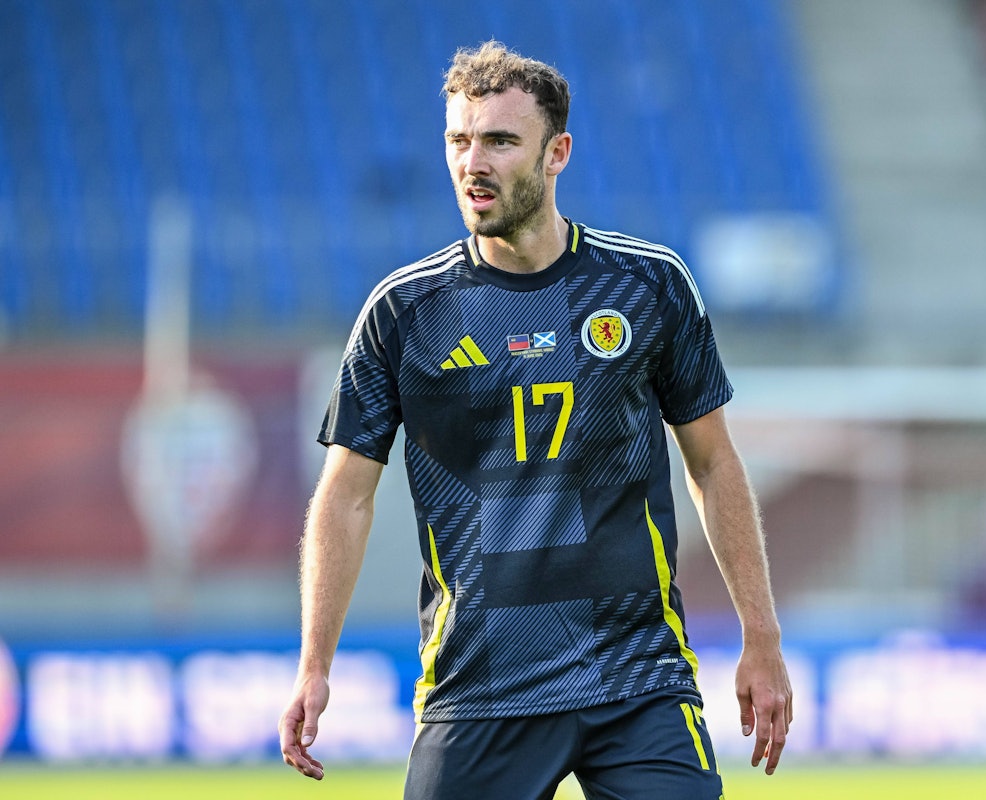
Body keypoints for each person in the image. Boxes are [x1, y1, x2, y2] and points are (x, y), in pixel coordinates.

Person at [279, 40, 792, 799]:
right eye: (458, 140)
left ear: (557, 153)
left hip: (637, 676)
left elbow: (712, 464)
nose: (471, 162)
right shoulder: (403, 312)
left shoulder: (647, 286)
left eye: (498, 141)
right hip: (481, 685)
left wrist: (761, 635)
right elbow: (344, 495)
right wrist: (314, 663)